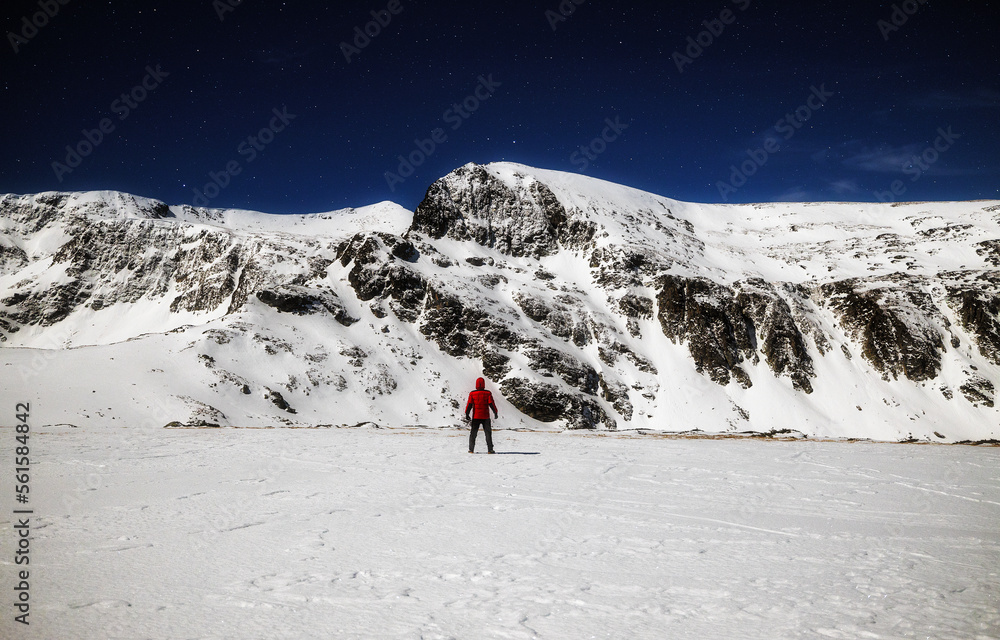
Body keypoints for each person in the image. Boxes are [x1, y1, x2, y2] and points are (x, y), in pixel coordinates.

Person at [465, 377, 498, 454]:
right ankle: (490, 450)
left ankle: (471, 449)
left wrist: (467, 413)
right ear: (484, 384)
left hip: (476, 416)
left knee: (473, 433)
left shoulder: (472, 394)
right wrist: (495, 412)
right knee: (488, 433)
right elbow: (491, 404)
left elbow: (469, 404)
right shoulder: (488, 393)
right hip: (485, 417)